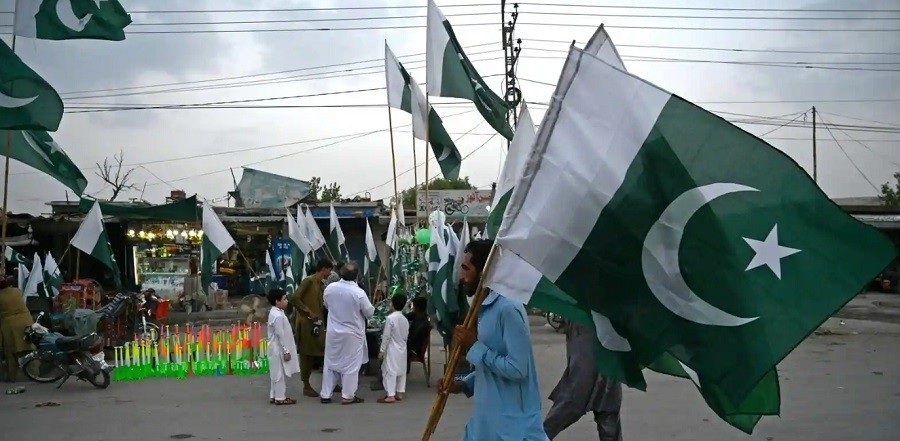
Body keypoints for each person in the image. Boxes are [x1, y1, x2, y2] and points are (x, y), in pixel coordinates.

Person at [439, 239, 550, 441]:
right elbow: (489, 368)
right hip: (484, 426)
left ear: (484, 272)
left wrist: (474, 346)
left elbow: (517, 369)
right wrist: (463, 385)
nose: (462, 276)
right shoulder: (481, 309)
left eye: (466, 268)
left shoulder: (508, 308)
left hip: (512, 429)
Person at [543, 319, 623, 440]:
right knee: (570, 404)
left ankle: (535, 437)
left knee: (607, 412)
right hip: (592, 339)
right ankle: (535, 438)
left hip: (603, 343)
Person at [320, 261, 374, 405]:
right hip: (352, 334)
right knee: (351, 366)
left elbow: (326, 304)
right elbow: (369, 313)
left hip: (333, 332)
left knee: (330, 363)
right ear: (357, 276)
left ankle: (326, 394)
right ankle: (348, 395)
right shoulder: (359, 293)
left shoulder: (330, 288)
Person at [290, 258, 333, 397]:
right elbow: (295, 297)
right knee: (306, 354)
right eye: (329, 270)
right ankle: (306, 385)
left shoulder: (322, 284)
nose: (330, 273)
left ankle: (332, 381)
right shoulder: (308, 281)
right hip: (306, 323)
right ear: (323, 268)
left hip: (318, 324)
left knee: (325, 351)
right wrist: (308, 312)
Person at [267, 289, 299, 405]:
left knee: (275, 372)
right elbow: (280, 335)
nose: (286, 301)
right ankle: (280, 397)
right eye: (284, 299)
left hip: (274, 347)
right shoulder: (278, 316)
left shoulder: (275, 312)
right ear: (277, 301)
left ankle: (273, 394)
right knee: (279, 373)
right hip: (278, 348)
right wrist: (285, 350)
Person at [0, 276, 34, 382]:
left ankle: (12, 376)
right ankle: (34, 374)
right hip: (26, 321)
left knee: (11, 351)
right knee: (29, 348)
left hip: (10, 325)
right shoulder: (17, 291)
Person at [377, 293, 409, 404]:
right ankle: (399, 392)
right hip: (403, 348)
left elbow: (386, 336)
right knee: (401, 371)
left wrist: (382, 350)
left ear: (392, 304)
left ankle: (390, 395)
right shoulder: (405, 319)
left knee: (389, 371)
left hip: (392, 348)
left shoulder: (390, 318)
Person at [405, 295, 430, 359]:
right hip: (413, 347)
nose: (412, 308)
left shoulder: (422, 325)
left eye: (413, 307)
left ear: (417, 308)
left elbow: (412, 340)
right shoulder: (420, 316)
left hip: (412, 350)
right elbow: (406, 316)